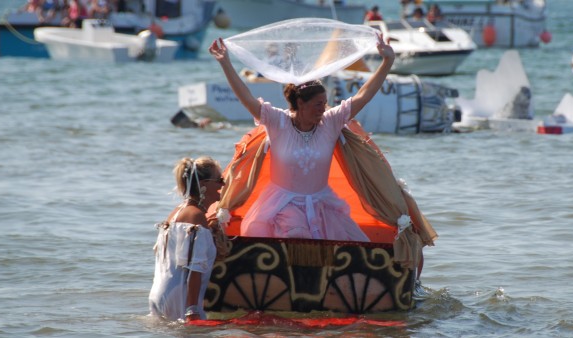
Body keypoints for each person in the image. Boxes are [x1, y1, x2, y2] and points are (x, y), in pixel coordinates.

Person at [208, 33, 395, 241]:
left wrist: (387, 62)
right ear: (300, 104)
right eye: (318, 104)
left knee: (358, 244)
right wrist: (225, 63)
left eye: (325, 103)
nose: (323, 109)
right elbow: (246, 97)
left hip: (324, 205)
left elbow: (363, 96)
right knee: (298, 238)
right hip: (281, 206)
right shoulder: (276, 122)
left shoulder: (330, 122)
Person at [149, 156, 226, 321]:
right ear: (204, 185)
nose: (223, 185)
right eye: (219, 180)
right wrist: (192, 312)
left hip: (159, 295)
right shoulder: (196, 216)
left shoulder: (177, 212)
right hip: (180, 299)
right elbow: (194, 269)